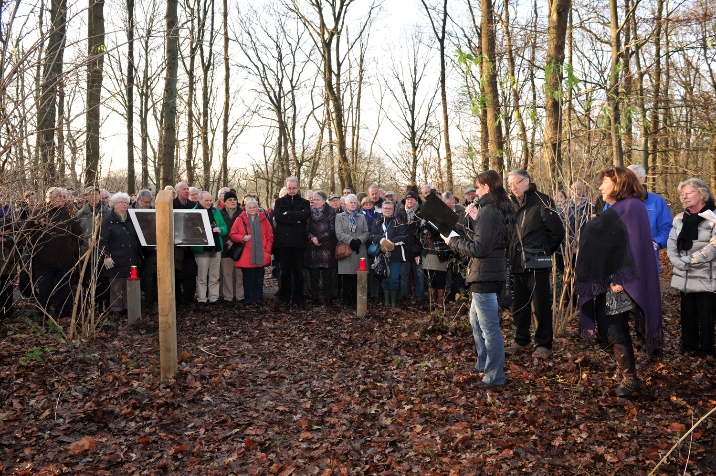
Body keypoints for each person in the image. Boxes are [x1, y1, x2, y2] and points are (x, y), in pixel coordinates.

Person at [576, 166, 662, 397]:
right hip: (610, 279)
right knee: (609, 327)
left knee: (616, 327)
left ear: (619, 183)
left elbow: (632, 247)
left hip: (619, 282)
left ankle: (630, 379)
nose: (601, 186)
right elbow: (611, 245)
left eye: (605, 182)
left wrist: (618, 278)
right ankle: (624, 373)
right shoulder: (618, 207)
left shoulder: (632, 206)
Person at [443, 170, 513, 387]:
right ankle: (483, 363)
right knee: (475, 320)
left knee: (490, 328)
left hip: (485, 275)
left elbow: (480, 249)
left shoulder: (489, 211)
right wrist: (474, 222)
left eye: (478, 188)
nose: (475, 193)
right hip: (489, 273)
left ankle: (494, 376)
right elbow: (487, 240)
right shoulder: (497, 209)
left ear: (487, 188)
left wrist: (451, 242)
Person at [506, 169, 565, 358]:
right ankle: (521, 340)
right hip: (516, 260)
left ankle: (544, 344)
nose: (512, 187)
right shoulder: (509, 204)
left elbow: (557, 232)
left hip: (537, 259)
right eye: (510, 184)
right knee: (520, 304)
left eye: (516, 183)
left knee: (541, 304)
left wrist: (543, 250)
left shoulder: (543, 200)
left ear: (527, 182)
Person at [667, 178, 716, 358]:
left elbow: (713, 246)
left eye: (689, 193)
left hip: (706, 277)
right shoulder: (680, 218)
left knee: (706, 315)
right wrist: (678, 261)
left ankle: (706, 349)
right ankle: (689, 346)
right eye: (682, 194)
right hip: (684, 276)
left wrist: (690, 260)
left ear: (702, 194)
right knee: (687, 314)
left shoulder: (714, 217)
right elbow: (671, 243)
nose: (684, 197)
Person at [27, 188, 83, 320]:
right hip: (44, 261)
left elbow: (79, 236)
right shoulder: (39, 214)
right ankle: (42, 314)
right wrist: (36, 251)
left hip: (66, 261)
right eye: (59, 196)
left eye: (64, 196)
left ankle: (62, 314)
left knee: (64, 289)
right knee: (44, 290)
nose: (63, 199)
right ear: (51, 198)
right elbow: (27, 235)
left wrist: (72, 250)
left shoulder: (69, 215)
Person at [100, 193, 142, 315]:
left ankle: (128, 307)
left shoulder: (132, 219)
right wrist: (106, 256)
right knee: (116, 287)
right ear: (114, 205)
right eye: (121, 202)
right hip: (115, 258)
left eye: (126, 202)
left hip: (130, 257)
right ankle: (116, 309)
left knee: (129, 285)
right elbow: (103, 241)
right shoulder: (108, 221)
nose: (124, 204)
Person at [273, 176, 311, 307]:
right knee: (285, 272)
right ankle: (284, 297)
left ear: (298, 188)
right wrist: (296, 221)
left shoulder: (304, 202)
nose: (292, 190)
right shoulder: (279, 202)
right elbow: (278, 218)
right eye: (289, 188)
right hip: (283, 243)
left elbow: (305, 215)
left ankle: (299, 297)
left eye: (294, 188)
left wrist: (288, 213)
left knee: (299, 272)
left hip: (299, 242)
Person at [626, 164, 672, 270]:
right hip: (619, 263)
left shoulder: (657, 202)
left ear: (642, 179)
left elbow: (667, 229)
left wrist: (655, 243)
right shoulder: (614, 201)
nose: (627, 182)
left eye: (632, 178)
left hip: (647, 262)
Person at [230, 198, 274, 306]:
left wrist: (267, 250)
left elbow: (270, 236)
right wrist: (242, 238)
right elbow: (232, 235)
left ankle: (259, 299)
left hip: (260, 253)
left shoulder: (264, 219)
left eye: (254, 207)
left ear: (258, 207)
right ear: (245, 208)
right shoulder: (240, 219)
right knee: (247, 278)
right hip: (246, 254)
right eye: (250, 207)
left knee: (259, 277)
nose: (252, 209)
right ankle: (248, 299)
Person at [76, 186, 111, 311]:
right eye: (90, 195)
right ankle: (87, 306)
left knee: (102, 281)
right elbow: (77, 234)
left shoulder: (107, 212)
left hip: (102, 253)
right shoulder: (81, 214)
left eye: (96, 194)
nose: (94, 197)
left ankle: (101, 306)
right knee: (87, 281)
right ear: (86, 197)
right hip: (87, 253)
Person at [191, 192, 228, 308]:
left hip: (216, 247)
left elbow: (225, 227)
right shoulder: (193, 212)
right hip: (202, 248)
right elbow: (190, 230)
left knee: (215, 275)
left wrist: (219, 229)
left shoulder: (215, 211)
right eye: (206, 200)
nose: (209, 203)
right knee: (202, 275)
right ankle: (202, 299)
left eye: (210, 200)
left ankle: (213, 298)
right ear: (200, 200)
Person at [369, 200, 408, 308]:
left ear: (393, 210)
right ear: (382, 209)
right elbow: (372, 235)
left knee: (394, 278)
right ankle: (387, 303)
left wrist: (391, 243)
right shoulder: (377, 222)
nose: (387, 210)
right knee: (384, 278)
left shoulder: (398, 221)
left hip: (395, 255)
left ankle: (394, 304)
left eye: (389, 208)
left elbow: (403, 236)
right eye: (385, 208)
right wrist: (381, 241)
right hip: (381, 255)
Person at [335, 194, 369, 307]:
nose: (353, 204)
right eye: (351, 202)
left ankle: (357, 300)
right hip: (346, 249)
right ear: (345, 204)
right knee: (347, 277)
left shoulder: (362, 217)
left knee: (357, 277)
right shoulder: (339, 216)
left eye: (355, 202)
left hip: (359, 250)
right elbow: (339, 233)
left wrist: (358, 241)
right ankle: (346, 301)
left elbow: (366, 232)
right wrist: (351, 241)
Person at [305, 191, 337, 306]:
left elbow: (332, 230)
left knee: (327, 276)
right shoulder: (308, 213)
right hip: (312, 248)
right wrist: (312, 238)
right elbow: (306, 229)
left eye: (317, 199)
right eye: (313, 199)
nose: (315, 201)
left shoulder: (330, 212)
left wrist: (320, 239)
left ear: (324, 201)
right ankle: (315, 298)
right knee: (313, 276)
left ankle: (329, 298)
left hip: (326, 248)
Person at [173, 182, 198, 306]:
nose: (187, 191)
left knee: (191, 272)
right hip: (176, 245)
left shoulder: (193, 205)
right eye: (184, 189)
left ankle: (189, 297)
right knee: (177, 272)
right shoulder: (171, 205)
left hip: (191, 244)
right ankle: (177, 298)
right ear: (177, 191)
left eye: (187, 189)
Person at [399, 191, 425, 303]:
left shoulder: (421, 214)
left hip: (418, 251)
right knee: (404, 276)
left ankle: (419, 298)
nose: (409, 201)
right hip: (403, 250)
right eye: (407, 199)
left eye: (412, 199)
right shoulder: (400, 214)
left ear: (416, 200)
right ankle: (403, 297)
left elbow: (422, 235)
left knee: (419, 276)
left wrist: (417, 251)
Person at [219, 191, 244, 303]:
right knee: (227, 274)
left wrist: (237, 241)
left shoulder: (242, 213)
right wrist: (227, 241)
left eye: (234, 200)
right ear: (224, 202)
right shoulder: (219, 213)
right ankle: (228, 297)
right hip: (225, 248)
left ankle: (240, 296)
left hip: (240, 247)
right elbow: (219, 228)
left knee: (240, 275)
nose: (232, 202)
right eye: (230, 200)